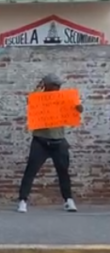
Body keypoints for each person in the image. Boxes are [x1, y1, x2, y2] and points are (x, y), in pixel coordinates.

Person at [17, 74, 82, 213]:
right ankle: (23, 200)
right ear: (46, 86)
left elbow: (77, 109)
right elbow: (29, 101)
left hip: (58, 140)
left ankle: (68, 200)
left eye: (59, 86)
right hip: (40, 140)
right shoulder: (38, 99)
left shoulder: (63, 99)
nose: (58, 88)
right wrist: (38, 88)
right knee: (31, 171)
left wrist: (78, 108)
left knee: (63, 172)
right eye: (55, 85)